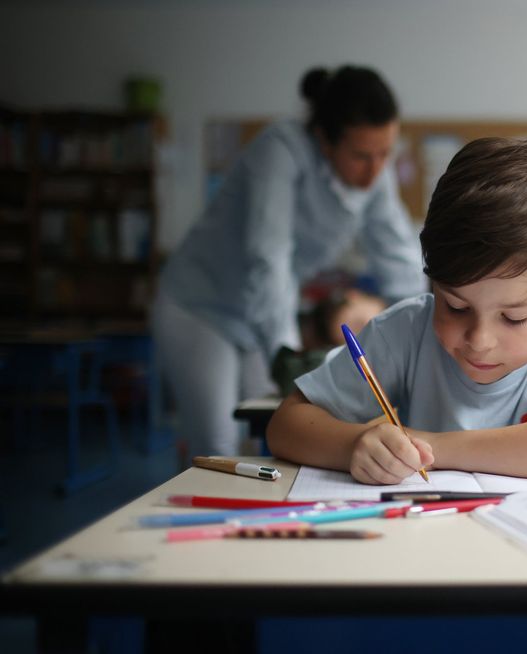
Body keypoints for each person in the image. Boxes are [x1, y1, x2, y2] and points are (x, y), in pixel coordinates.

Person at [267, 137, 527, 484]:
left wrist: (430, 447)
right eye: (455, 306)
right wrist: (352, 446)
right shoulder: (404, 331)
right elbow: (286, 425)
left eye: (513, 317)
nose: (479, 340)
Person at [153, 65, 426, 459]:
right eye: (362, 155)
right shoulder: (278, 151)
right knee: (217, 446)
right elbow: (269, 258)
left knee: (260, 439)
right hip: (199, 308)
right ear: (324, 139)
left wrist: (417, 334)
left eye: (385, 153)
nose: (375, 170)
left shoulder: (374, 171)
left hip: (251, 315)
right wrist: (290, 357)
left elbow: (399, 257)